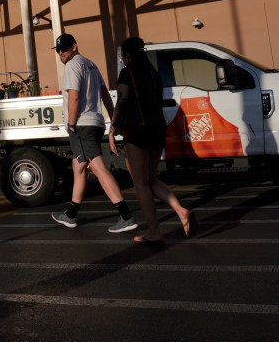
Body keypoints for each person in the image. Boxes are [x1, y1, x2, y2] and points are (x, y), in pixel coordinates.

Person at [110, 36, 195, 245]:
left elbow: (122, 101)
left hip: (138, 132)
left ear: (128, 55)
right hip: (157, 130)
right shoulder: (153, 74)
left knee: (140, 184)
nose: (123, 59)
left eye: (123, 55)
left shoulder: (127, 73)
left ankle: (154, 231)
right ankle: (180, 210)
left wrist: (112, 129)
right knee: (149, 178)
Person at [50, 33, 137, 233]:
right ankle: (71, 214)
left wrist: (71, 123)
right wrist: (113, 119)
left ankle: (126, 216)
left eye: (64, 49)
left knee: (97, 167)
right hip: (95, 123)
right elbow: (105, 93)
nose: (61, 53)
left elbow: (74, 95)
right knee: (78, 167)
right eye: (58, 50)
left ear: (74, 46)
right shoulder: (91, 65)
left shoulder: (73, 65)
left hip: (81, 124)